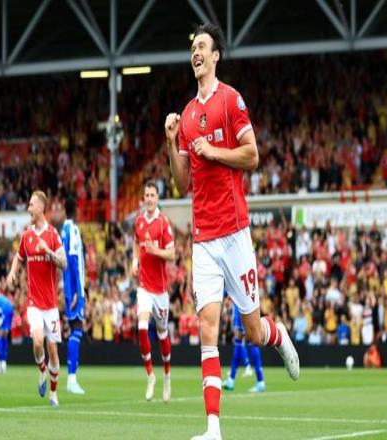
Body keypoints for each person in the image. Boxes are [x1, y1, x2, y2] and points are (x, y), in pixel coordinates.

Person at [164, 23, 299, 440]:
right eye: (193, 48)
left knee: (254, 332)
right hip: (203, 238)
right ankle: (213, 428)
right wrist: (171, 141)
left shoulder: (231, 99)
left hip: (235, 233)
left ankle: (279, 334)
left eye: (202, 46)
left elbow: (252, 155)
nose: (196, 53)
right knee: (207, 327)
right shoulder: (187, 114)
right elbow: (181, 184)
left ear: (216, 55)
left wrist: (213, 151)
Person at [6, 190, 66, 407]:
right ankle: (42, 370)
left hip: (51, 304)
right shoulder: (26, 236)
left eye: (31, 205)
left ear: (40, 208)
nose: (29, 209)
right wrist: (12, 272)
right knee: (38, 342)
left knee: (53, 350)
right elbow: (18, 257)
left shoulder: (52, 235)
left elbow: (63, 263)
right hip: (34, 302)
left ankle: (53, 394)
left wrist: (48, 251)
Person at [132, 180, 175, 403]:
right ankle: (151, 375)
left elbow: (172, 254)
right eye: (146, 195)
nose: (149, 199)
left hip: (160, 290)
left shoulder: (163, 223)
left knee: (162, 334)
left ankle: (167, 376)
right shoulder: (139, 222)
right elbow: (135, 243)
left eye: (152, 195)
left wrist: (154, 250)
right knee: (141, 327)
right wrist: (134, 261)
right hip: (144, 287)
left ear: (157, 198)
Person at [60, 197, 86, 394]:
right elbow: (74, 260)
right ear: (75, 211)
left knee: (75, 329)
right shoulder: (73, 230)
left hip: (69, 287)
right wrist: (77, 291)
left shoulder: (63, 230)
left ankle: (71, 378)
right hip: (74, 289)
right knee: (77, 329)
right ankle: (71, 379)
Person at [222, 302, 265, 393]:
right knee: (238, 340)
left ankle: (260, 380)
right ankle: (231, 379)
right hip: (241, 302)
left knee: (249, 338)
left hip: (242, 303)